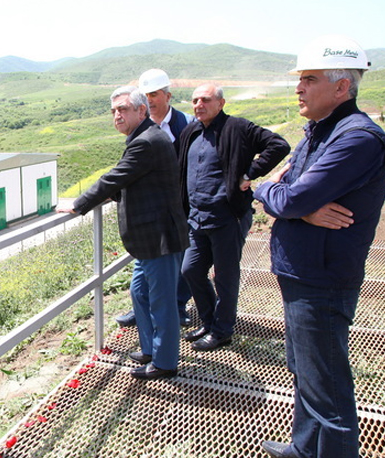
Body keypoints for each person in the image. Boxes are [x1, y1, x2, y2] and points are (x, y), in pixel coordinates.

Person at [254, 35, 385, 458]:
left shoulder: (357, 138)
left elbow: (288, 195)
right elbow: (295, 195)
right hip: (301, 271)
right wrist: (294, 203)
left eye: (309, 79)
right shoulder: (320, 130)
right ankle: (305, 448)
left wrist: (268, 190)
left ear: (342, 87)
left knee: (328, 392)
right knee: (306, 373)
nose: (298, 88)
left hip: (322, 279)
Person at [59, 86, 188, 380]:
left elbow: (114, 178)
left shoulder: (146, 141)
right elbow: (134, 181)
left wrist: (78, 204)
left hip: (160, 238)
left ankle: (165, 363)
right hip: (149, 239)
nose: (117, 115)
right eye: (114, 111)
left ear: (141, 111)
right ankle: (150, 348)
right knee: (139, 291)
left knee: (162, 301)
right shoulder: (144, 137)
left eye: (123, 109)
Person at [178, 83, 290, 351]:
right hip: (197, 218)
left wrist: (250, 173)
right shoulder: (191, 131)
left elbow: (278, 145)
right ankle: (208, 321)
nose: (198, 105)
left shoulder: (237, 128)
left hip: (227, 217)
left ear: (221, 103)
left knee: (225, 276)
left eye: (205, 99)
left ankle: (222, 330)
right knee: (190, 270)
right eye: (195, 100)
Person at [116, 68, 194, 329]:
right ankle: (143, 310)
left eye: (154, 94)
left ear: (168, 95)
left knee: (179, 261)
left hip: (180, 204)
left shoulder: (186, 124)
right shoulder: (139, 128)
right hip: (151, 210)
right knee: (148, 267)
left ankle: (178, 306)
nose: (149, 100)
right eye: (145, 95)